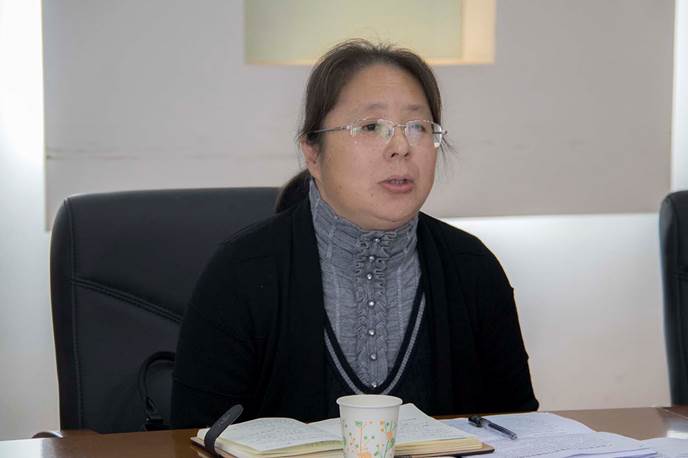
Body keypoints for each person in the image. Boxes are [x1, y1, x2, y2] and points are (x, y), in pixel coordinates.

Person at [171, 39, 538, 428]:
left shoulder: (473, 270)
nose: (401, 146)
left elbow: (521, 434)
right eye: (371, 127)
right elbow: (191, 441)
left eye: (418, 127)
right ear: (313, 153)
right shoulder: (240, 273)